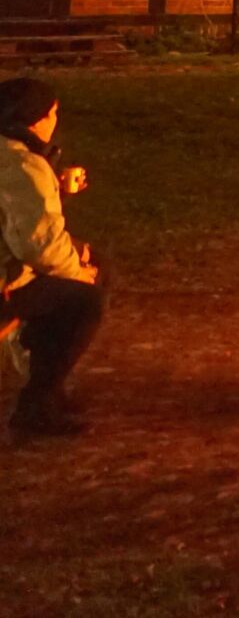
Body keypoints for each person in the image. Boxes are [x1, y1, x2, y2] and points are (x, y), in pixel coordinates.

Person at [0, 77, 105, 440]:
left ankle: (48, 386)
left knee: (88, 261)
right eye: (54, 112)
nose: (56, 120)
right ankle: (37, 403)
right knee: (83, 299)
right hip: (5, 282)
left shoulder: (12, 155)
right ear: (37, 118)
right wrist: (79, 272)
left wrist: (56, 190)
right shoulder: (22, 165)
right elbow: (39, 247)